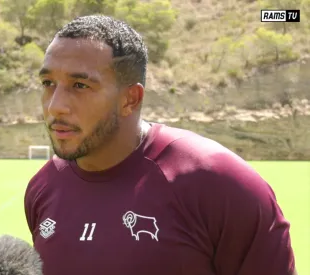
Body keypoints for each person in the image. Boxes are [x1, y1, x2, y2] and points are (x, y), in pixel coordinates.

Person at [24, 14, 296, 275]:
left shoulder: (220, 184)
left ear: (130, 98)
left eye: (80, 85)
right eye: (48, 83)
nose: (55, 105)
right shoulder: (43, 188)